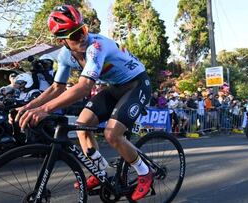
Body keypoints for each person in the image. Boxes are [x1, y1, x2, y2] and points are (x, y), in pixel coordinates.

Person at [12, 5, 152, 201]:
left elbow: (85, 86)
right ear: (62, 41)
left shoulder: (96, 46)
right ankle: (100, 171)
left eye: (83, 30)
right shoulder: (64, 56)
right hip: (115, 87)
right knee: (82, 126)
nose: (83, 37)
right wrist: (28, 106)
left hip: (137, 83)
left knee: (112, 134)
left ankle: (145, 172)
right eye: (76, 35)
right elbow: (56, 88)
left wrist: (44, 109)